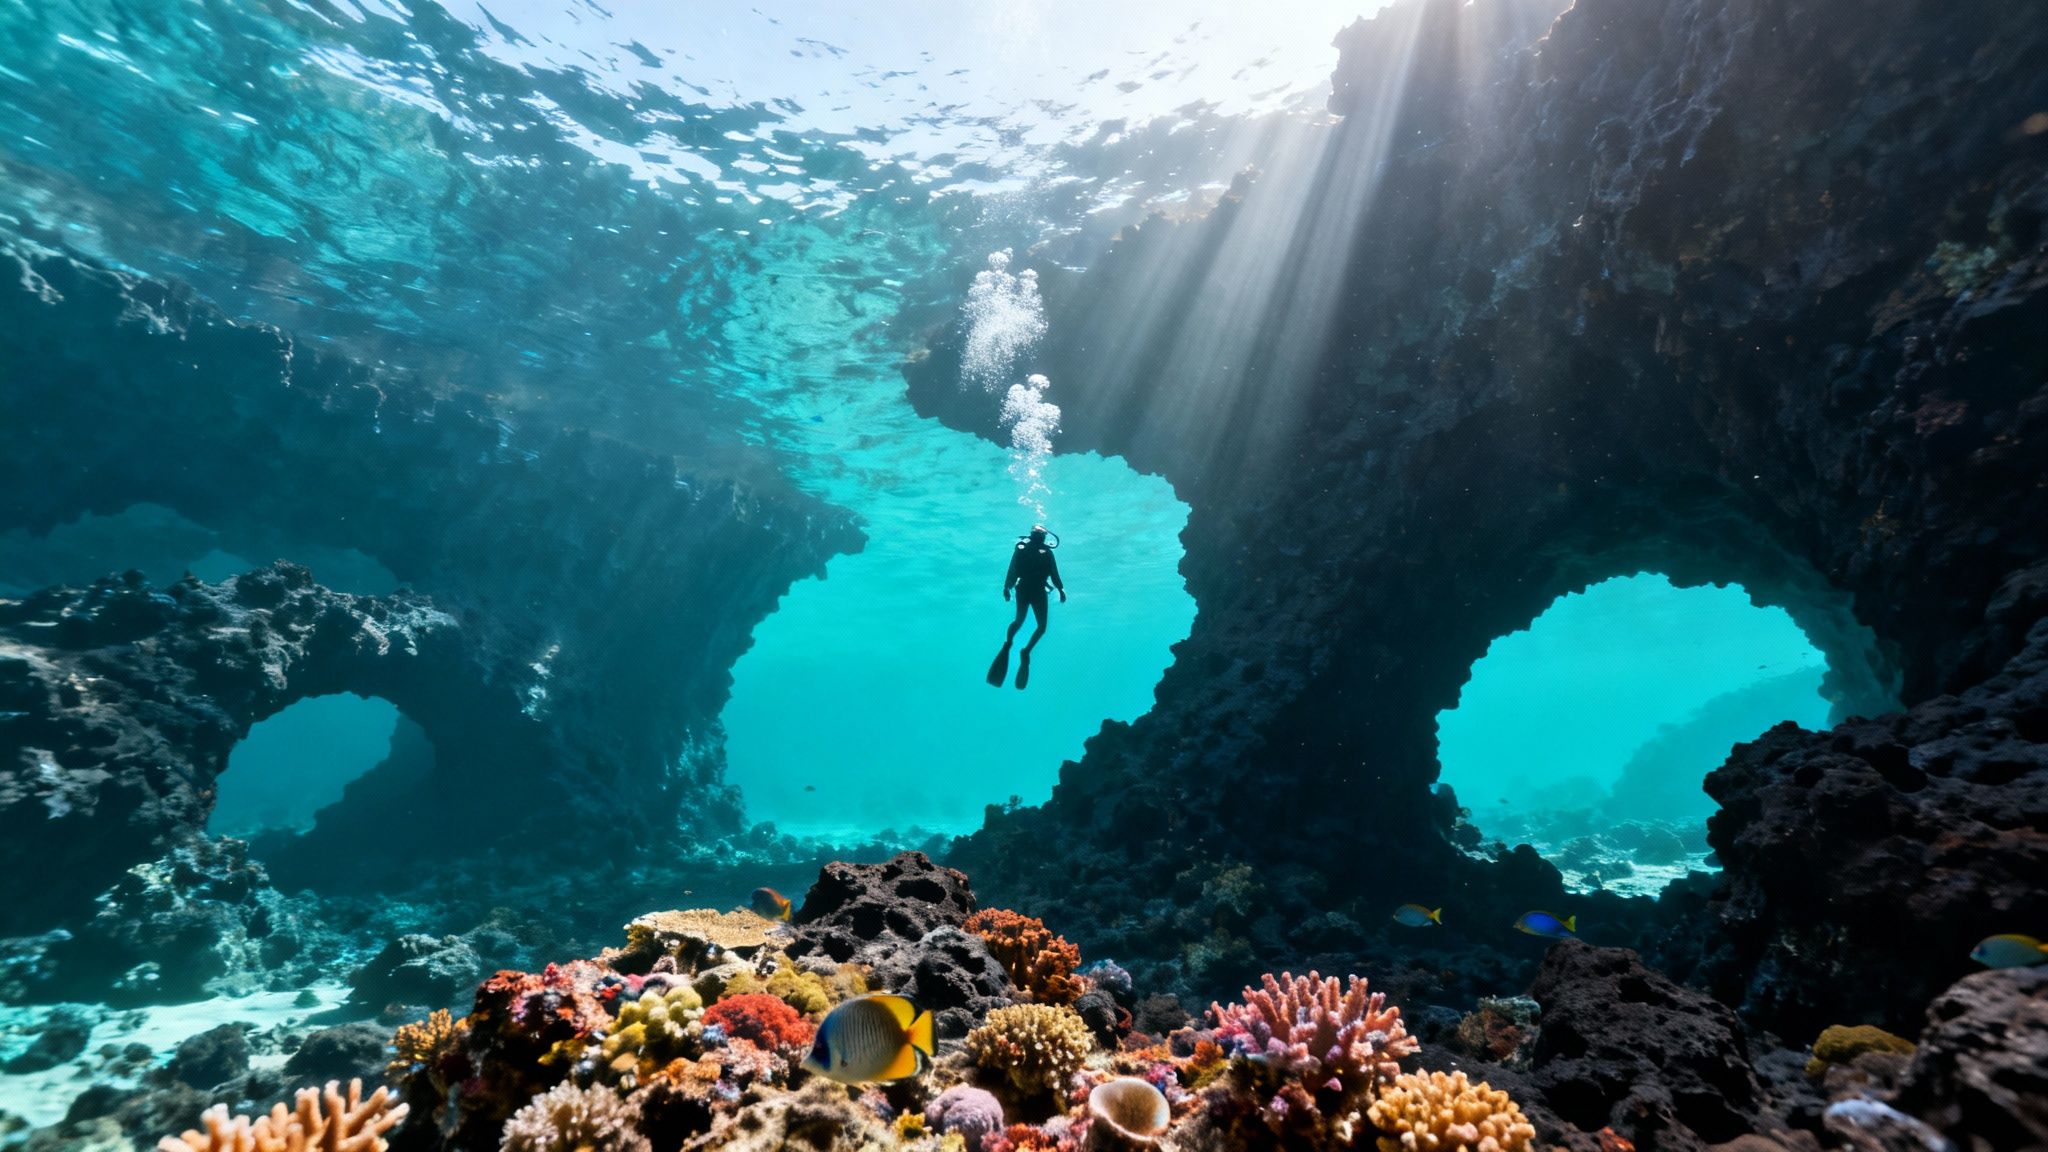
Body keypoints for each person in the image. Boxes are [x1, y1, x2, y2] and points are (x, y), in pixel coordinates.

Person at [986, 525, 1066, 689]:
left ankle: (1012, 644)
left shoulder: (1023, 549)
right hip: (1035, 591)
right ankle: (1022, 649)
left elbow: (1013, 571)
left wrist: (1007, 588)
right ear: (1043, 537)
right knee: (1038, 626)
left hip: (1025, 589)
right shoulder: (1039, 551)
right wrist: (1060, 589)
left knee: (1020, 622)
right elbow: (1053, 574)